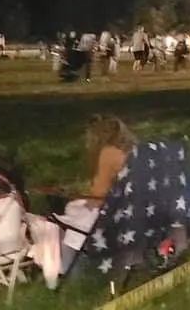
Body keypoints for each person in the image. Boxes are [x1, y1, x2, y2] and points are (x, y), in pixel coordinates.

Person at [55, 115, 136, 275]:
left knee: (72, 225)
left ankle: (70, 272)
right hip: (135, 207)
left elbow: (98, 195)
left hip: (116, 212)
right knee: (74, 210)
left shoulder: (108, 153)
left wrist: (82, 198)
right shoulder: (130, 150)